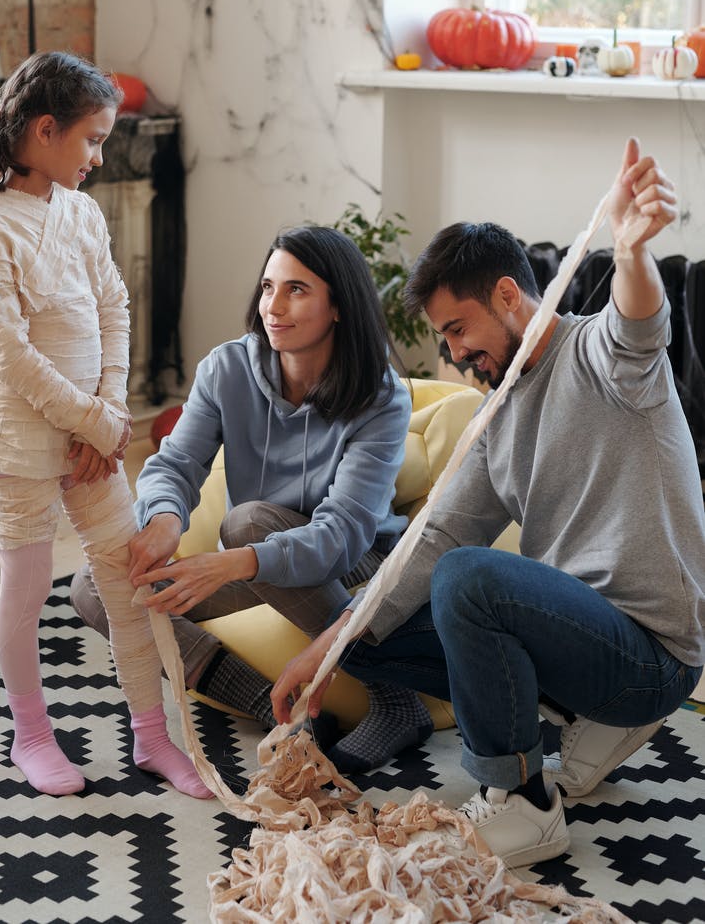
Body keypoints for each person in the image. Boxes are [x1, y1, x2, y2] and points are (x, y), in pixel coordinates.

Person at [270, 138, 705, 869]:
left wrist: (630, 254)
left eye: (457, 330)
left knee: (468, 580)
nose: (453, 355)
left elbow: (638, 325)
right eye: (443, 340)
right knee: (383, 624)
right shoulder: (496, 416)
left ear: (509, 296)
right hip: (579, 641)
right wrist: (326, 649)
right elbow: (428, 541)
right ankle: (572, 719)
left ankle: (522, 805)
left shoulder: (600, 358)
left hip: (651, 656)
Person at [70, 224, 432, 770]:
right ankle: (273, 708)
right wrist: (165, 518)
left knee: (246, 523)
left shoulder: (379, 399)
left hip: (357, 567)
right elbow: (175, 463)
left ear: (339, 306)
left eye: (296, 290)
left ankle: (397, 700)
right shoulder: (227, 368)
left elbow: (341, 536)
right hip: (260, 562)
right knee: (95, 585)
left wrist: (234, 562)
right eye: (268, 287)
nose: (273, 306)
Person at [0, 50, 210, 800]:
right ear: (42, 131)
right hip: (19, 439)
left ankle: (152, 736)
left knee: (127, 582)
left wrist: (109, 414)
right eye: (91, 140)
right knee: (26, 587)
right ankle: (31, 735)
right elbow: (9, 353)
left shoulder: (84, 212)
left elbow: (113, 310)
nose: (99, 156)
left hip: (92, 437)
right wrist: (92, 421)